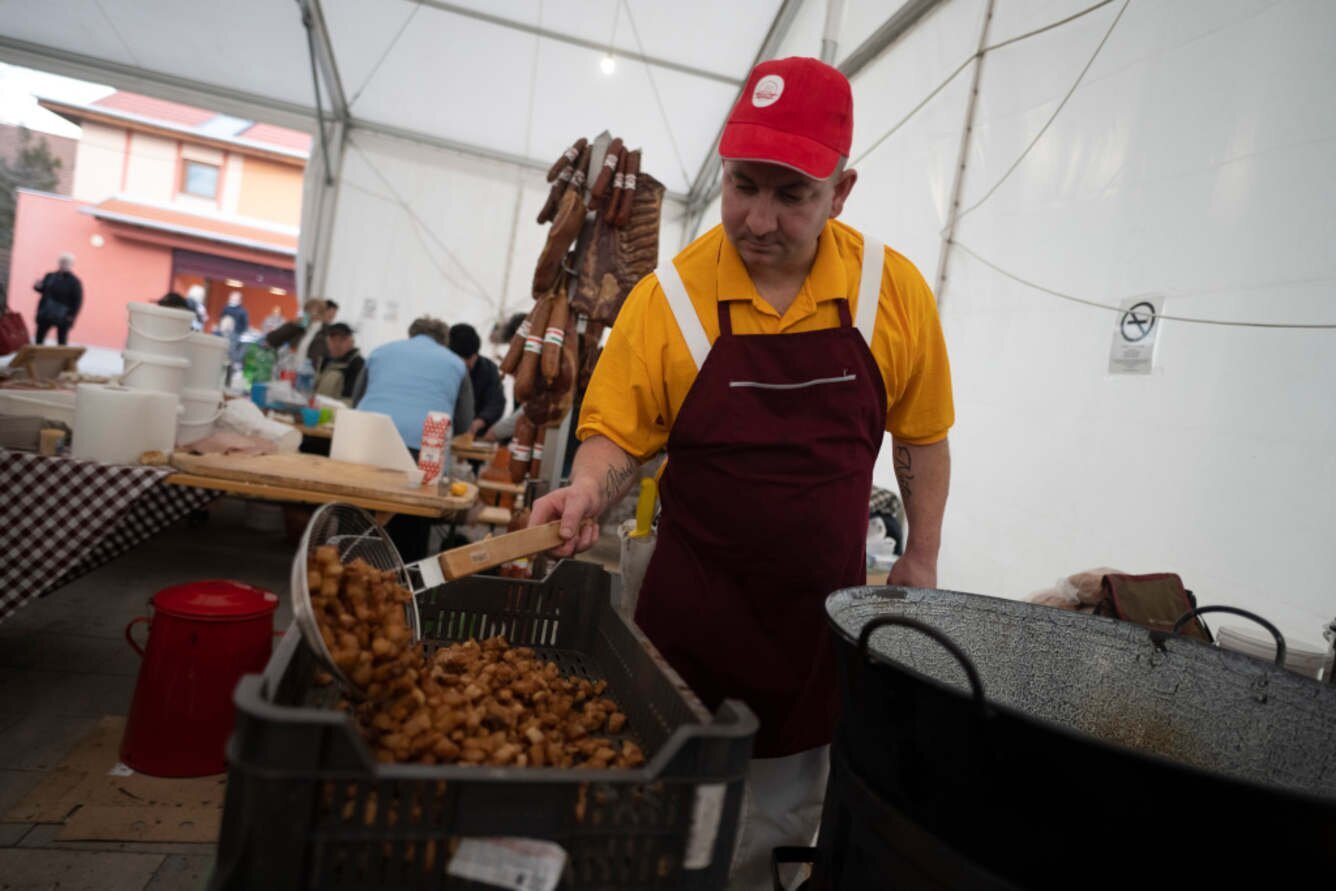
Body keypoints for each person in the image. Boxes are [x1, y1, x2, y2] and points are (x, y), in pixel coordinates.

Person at [529, 57, 954, 888]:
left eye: (790, 194)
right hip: (686, 623)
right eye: (742, 185)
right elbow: (617, 435)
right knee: (660, 829)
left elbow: (924, 436)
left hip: (814, 633)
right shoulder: (672, 298)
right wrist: (585, 490)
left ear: (842, 189)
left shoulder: (891, 293)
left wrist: (923, 554)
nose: (757, 219)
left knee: (774, 837)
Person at [357, 316, 475, 560]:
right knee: (412, 519)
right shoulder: (455, 363)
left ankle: (352, 565)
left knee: (361, 511)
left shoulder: (380, 352)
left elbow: (357, 398)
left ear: (411, 334)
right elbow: (464, 422)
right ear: (444, 341)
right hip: (424, 448)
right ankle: (404, 580)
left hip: (369, 439)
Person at [448, 323, 505, 437]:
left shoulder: (489, 369)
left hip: (474, 437)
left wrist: (479, 422)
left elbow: (496, 402)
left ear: (476, 354)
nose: (464, 365)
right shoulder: (442, 369)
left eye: (469, 359)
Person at [33, 252, 83, 345]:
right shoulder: (50, 276)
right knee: (39, 339)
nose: (63, 265)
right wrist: (37, 287)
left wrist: (71, 317)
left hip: (63, 316)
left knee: (61, 342)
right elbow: (43, 290)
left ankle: (60, 359)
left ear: (71, 265)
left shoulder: (75, 282)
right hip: (46, 312)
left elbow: (77, 301)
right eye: (62, 262)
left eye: (66, 263)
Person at [264, 298, 328, 365]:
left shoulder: (324, 333)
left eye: (315, 313)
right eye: (307, 312)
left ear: (322, 316)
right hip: (291, 369)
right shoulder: (298, 329)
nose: (311, 316)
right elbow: (271, 339)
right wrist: (292, 325)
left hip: (308, 372)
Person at [314, 322, 363, 403]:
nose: (336, 345)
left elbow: (349, 401)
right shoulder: (327, 360)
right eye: (332, 341)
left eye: (341, 340)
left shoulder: (357, 364)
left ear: (351, 341)